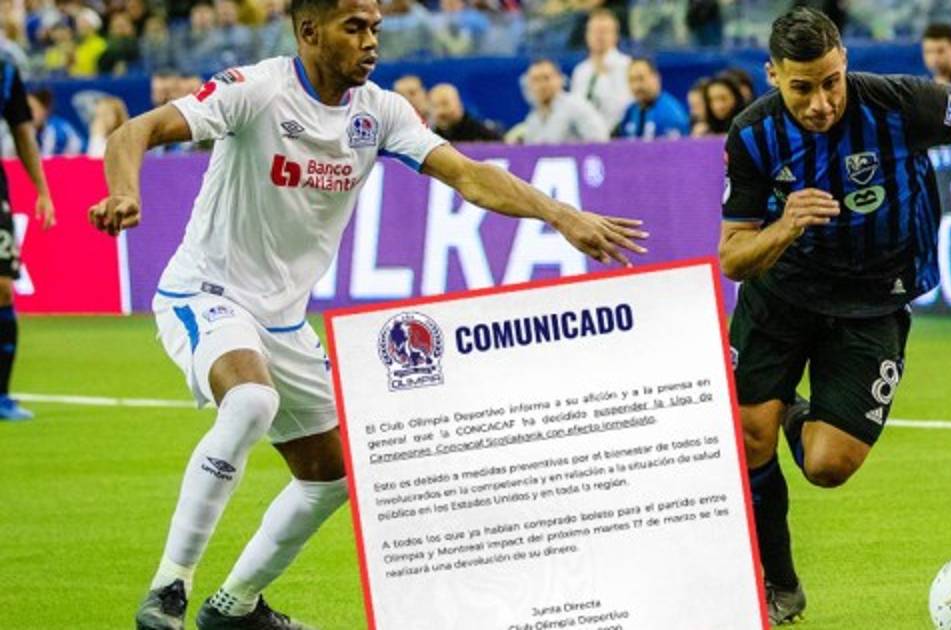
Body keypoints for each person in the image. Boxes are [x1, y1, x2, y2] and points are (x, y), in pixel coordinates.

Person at [90, 0, 647, 626]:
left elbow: (468, 175)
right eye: (354, 27)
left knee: (335, 477)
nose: (371, 41)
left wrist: (561, 215)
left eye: (375, 28)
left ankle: (235, 606)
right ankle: (169, 586)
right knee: (250, 402)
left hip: (283, 320)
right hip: (206, 292)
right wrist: (124, 192)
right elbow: (131, 132)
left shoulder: (379, 111)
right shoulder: (256, 90)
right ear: (309, 31)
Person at [718, 8, 951, 625]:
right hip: (780, 297)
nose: (821, 102)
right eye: (802, 87)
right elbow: (733, 256)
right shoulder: (753, 135)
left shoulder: (895, 104)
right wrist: (785, 226)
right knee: (748, 437)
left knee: (828, 467)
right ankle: (780, 585)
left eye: (831, 81)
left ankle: (790, 409)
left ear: (844, 63)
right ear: (773, 75)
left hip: (874, 301)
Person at [0, 59, 55, 421]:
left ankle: (1, 396)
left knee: (3, 288)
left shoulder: (5, 70)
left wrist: (42, 190)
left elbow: (22, 130)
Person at [569, 8, 633, 130]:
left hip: (617, 133)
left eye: (604, 31)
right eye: (595, 31)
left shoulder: (627, 66)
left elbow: (627, 107)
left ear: (615, 35)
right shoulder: (580, 71)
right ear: (587, 35)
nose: (599, 36)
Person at [520, 57, 609, 144]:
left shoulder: (576, 106)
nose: (541, 85)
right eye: (535, 80)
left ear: (560, 79)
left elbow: (600, 139)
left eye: (546, 78)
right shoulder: (532, 119)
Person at [613, 56, 690, 139]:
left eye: (641, 79)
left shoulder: (671, 115)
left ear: (655, 78)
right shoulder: (630, 112)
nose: (636, 86)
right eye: (631, 80)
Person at [428, 82, 503, 142]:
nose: (440, 111)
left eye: (445, 104)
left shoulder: (481, 133)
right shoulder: (431, 137)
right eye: (435, 106)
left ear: (458, 103)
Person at [28, 88, 84, 156]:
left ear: (44, 110)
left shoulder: (57, 131)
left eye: (30, 110)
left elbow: (44, 159)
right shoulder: (20, 130)